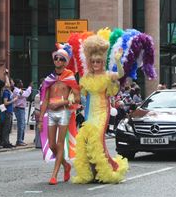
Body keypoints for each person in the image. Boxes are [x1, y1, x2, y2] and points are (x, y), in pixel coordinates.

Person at [72, 35, 128, 184]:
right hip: (90, 113)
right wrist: (72, 97)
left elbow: (121, 75)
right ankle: (92, 171)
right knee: (86, 141)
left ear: (102, 62)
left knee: (98, 140)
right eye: (93, 61)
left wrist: (117, 60)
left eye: (98, 61)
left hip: (103, 112)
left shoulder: (108, 75)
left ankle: (110, 168)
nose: (96, 63)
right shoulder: (87, 77)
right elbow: (78, 92)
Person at [39, 45, 80, 185]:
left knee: (59, 143)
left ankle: (54, 175)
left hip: (64, 112)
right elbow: (45, 99)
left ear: (65, 62)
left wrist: (61, 103)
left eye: (61, 59)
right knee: (51, 145)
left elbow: (77, 98)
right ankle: (66, 165)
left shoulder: (69, 77)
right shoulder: (49, 79)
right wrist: (40, 119)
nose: (57, 60)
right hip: (51, 113)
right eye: (56, 58)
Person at [13, 79, 32, 146]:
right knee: (21, 125)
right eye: (20, 82)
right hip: (19, 109)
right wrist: (30, 87)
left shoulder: (19, 90)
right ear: (17, 84)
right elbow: (26, 94)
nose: (22, 83)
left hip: (21, 109)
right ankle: (19, 140)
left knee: (23, 125)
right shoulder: (16, 90)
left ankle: (21, 140)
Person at [0, 82, 17, 148]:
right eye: (11, 82)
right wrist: (14, 100)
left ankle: (6, 141)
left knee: (8, 127)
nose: (12, 83)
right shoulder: (6, 92)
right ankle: (5, 142)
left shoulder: (9, 91)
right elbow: (5, 102)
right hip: (7, 111)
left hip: (10, 111)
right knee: (6, 128)